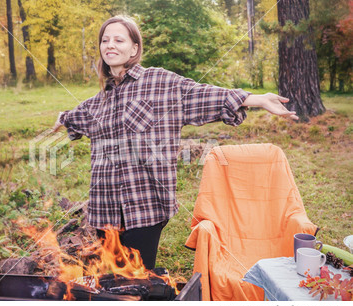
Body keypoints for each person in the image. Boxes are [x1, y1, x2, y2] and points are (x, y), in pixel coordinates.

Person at [52, 15, 298, 270]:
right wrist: (62, 119)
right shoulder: (100, 99)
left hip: (144, 205)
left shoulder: (161, 83)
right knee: (111, 279)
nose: (110, 45)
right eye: (105, 40)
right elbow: (78, 115)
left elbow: (201, 94)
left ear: (134, 48)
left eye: (118, 39)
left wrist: (255, 99)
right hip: (105, 206)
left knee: (139, 279)